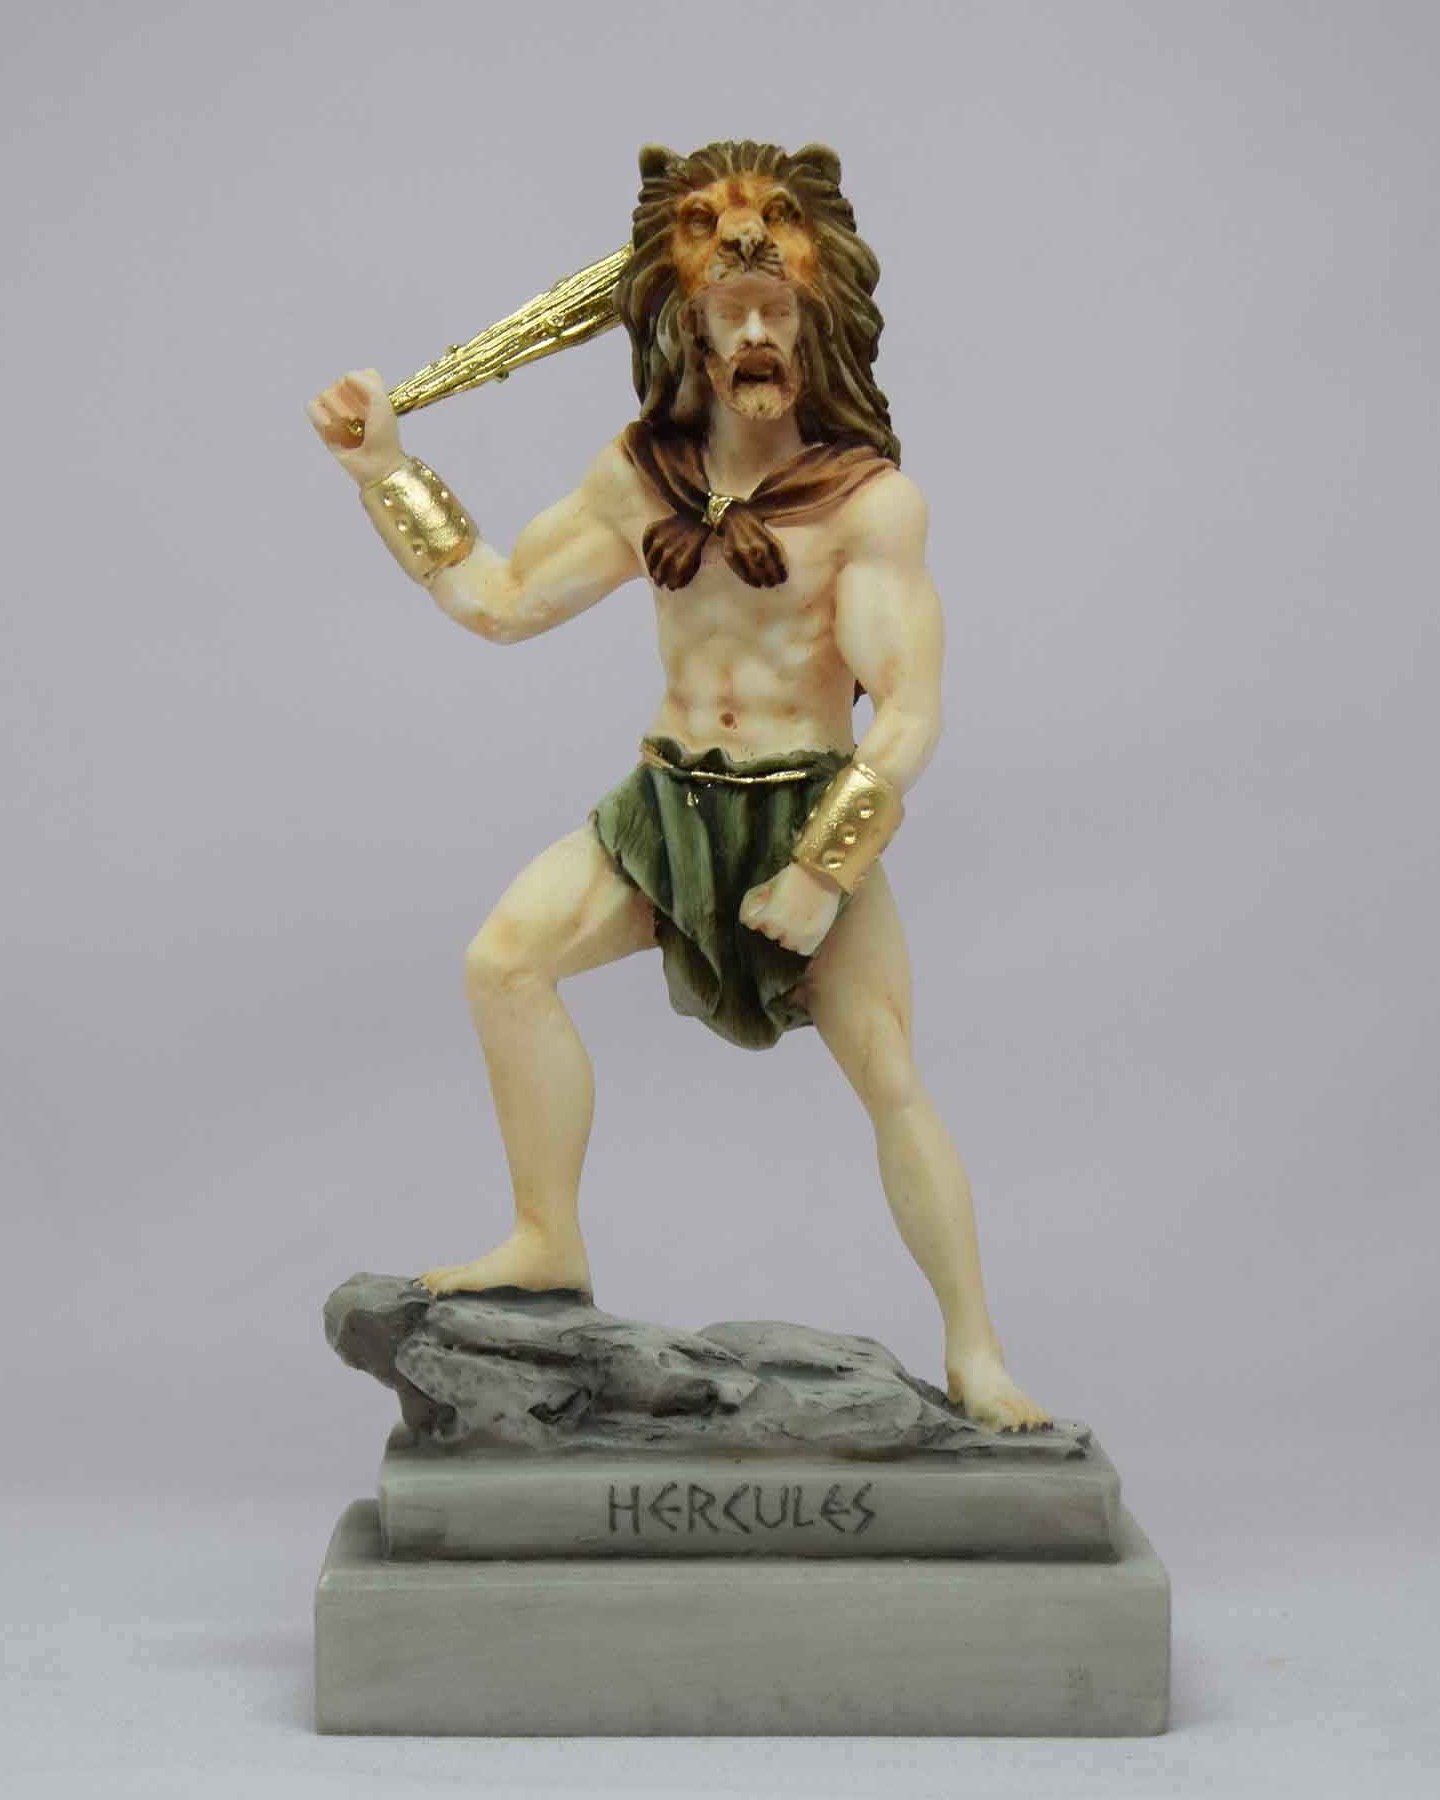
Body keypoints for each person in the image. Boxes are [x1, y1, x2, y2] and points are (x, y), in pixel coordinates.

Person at [308, 140, 1048, 1430]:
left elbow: (909, 713)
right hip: (668, 810)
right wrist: (387, 474)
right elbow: (500, 602)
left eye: (778, 313)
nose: (755, 335)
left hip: (805, 813)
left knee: (887, 1073)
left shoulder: (869, 503)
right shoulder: (638, 475)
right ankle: (547, 1237)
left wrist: (822, 870)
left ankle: (978, 1352)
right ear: (684, 328)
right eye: (730, 313)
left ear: (817, 325)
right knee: (504, 966)